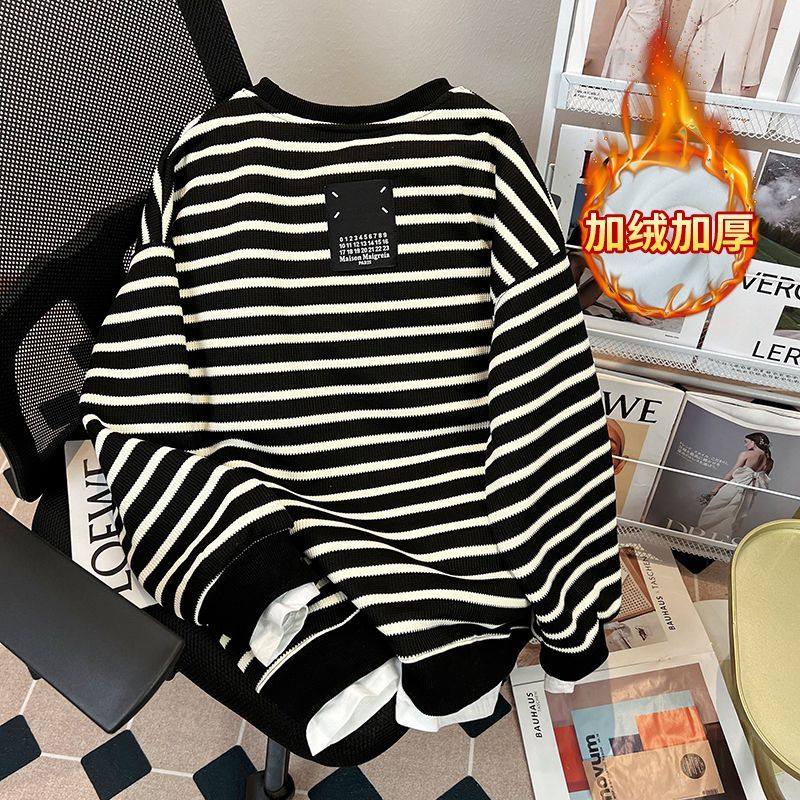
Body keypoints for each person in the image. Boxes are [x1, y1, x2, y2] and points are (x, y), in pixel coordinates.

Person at [698, 432, 773, 542]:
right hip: (748, 494)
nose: (745, 445)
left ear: (754, 442)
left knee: (712, 511)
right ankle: (717, 541)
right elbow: (760, 478)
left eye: (746, 442)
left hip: (734, 487)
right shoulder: (769, 461)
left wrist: (716, 488)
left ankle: (701, 538)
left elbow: (731, 473)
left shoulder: (746, 454)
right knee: (732, 517)